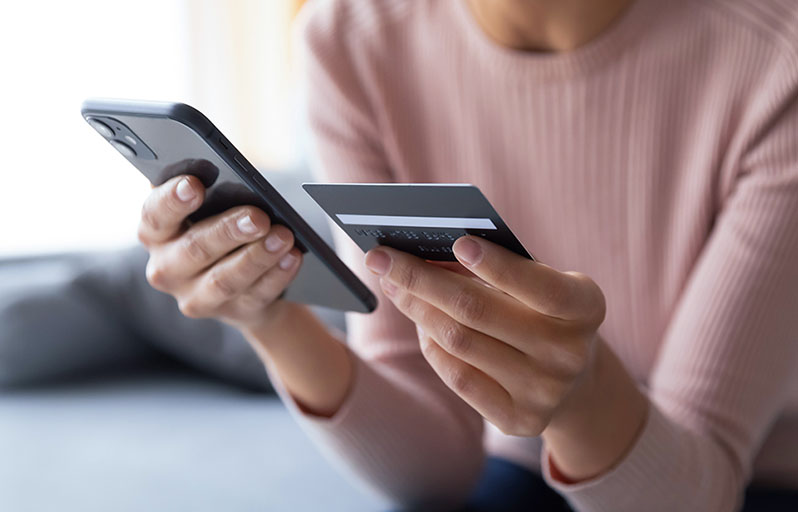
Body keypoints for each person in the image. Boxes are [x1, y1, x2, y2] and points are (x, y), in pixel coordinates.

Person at [137, 0, 798, 510]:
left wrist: (582, 397)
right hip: (522, 464)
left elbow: (699, 490)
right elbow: (435, 466)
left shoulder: (776, 57)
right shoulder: (351, 39)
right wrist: (269, 317)